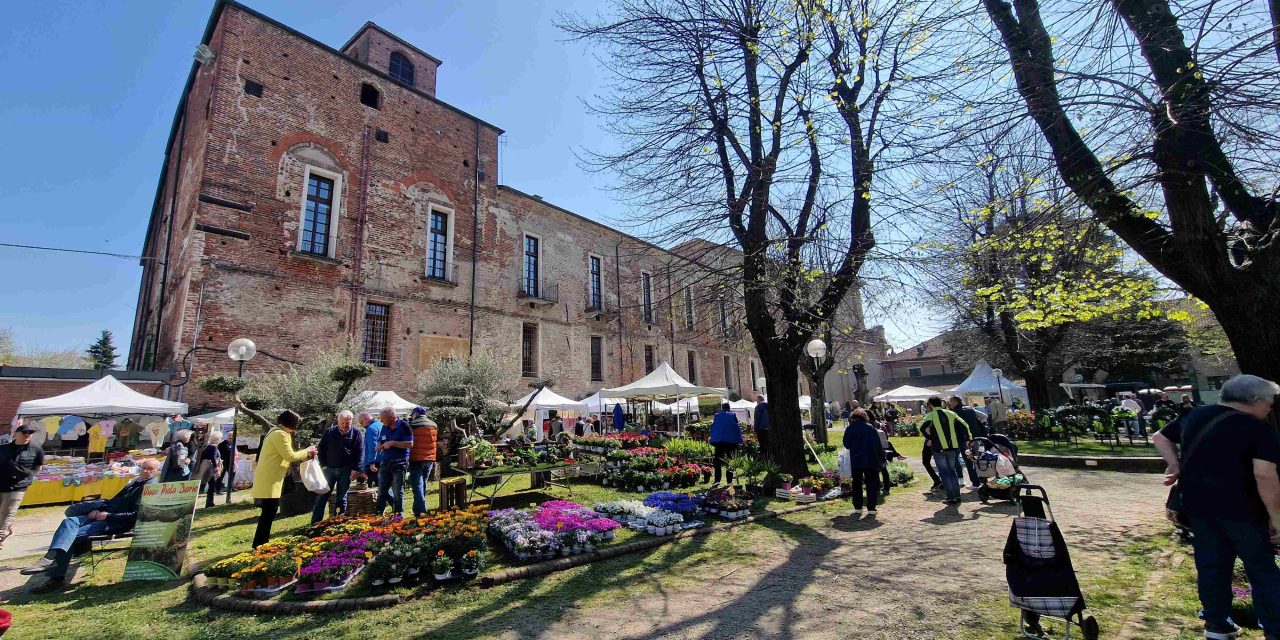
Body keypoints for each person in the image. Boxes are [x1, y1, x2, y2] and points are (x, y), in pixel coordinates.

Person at [1153, 374, 1280, 640]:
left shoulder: (1194, 416)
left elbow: (1160, 437)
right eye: (1270, 402)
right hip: (1244, 511)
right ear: (1256, 400)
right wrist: (1277, 519)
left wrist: (1175, 464)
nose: (1270, 407)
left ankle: (1216, 624)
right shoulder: (1258, 429)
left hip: (1199, 507)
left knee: (1212, 566)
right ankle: (1275, 628)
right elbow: (1265, 476)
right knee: (1262, 569)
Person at [22, 458, 160, 592]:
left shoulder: (150, 488)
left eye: (150, 469)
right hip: (104, 514)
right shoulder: (134, 482)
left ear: (156, 471)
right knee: (69, 522)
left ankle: (56, 578)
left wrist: (107, 516)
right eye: (144, 468)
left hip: (114, 522)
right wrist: (98, 510)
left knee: (72, 536)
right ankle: (50, 558)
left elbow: (136, 515)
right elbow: (113, 501)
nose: (146, 471)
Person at [251, 410, 316, 549]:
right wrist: (308, 451)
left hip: (269, 477)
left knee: (269, 511)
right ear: (290, 422)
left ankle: (261, 542)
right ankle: (260, 543)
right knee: (269, 512)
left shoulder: (274, 431)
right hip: (271, 478)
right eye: (297, 422)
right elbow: (290, 456)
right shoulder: (281, 434)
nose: (298, 425)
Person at [311, 410, 363, 524]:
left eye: (347, 423)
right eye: (342, 423)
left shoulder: (356, 433)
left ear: (351, 421)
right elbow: (321, 449)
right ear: (338, 421)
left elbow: (360, 452)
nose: (344, 426)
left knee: (341, 497)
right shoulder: (329, 432)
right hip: (329, 469)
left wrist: (356, 469)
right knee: (322, 496)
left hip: (346, 470)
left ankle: (338, 521)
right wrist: (323, 465)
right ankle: (315, 522)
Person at [0, 423, 44, 549]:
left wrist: (27, 475)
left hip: (18, 486)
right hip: (1, 484)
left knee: (8, 512)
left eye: (30, 433)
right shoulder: (3, 449)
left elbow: (38, 467)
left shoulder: (36, 449)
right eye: (25, 432)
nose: (27, 435)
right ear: (16, 433)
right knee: (2, 512)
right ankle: (7, 529)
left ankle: (0, 537)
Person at [921, 397, 970, 505]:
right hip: (952, 446)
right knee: (952, 471)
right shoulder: (951, 413)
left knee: (944, 473)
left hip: (939, 448)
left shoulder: (930, 416)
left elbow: (922, 428)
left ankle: (951, 497)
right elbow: (964, 425)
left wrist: (930, 438)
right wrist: (968, 438)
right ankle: (957, 495)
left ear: (930, 405)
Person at [372, 407, 413, 515]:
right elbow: (380, 439)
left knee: (397, 491)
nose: (381, 421)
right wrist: (379, 446)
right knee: (381, 489)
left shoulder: (404, 426)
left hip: (399, 462)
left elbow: (410, 444)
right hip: (385, 461)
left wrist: (392, 443)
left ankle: (398, 514)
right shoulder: (384, 427)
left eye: (382, 419)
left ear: (391, 417)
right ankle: (378, 513)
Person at [843, 408, 883, 516]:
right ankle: (871, 508)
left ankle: (858, 507)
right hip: (870, 459)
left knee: (856, 484)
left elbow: (846, 444)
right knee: (871, 484)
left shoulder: (850, 428)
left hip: (856, 460)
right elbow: (877, 444)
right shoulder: (870, 428)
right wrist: (881, 458)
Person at [407, 408, 438, 517]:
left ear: (416, 414)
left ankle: (420, 510)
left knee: (417, 484)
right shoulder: (433, 424)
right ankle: (419, 509)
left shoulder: (412, 424)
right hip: (429, 458)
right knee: (423, 483)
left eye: (413, 414)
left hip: (416, 458)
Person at [950, 396, 985, 489]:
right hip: (976, 437)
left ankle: (975, 482)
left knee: (969, 460)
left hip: (964, 439)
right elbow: (983, 416)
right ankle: (982, 479)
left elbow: (958, 428)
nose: (949, 404)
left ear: (955, 403)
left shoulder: (955, 413)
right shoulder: (970, 409)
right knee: (976, 458)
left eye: (951, 402)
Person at [709, 402, 742, 484]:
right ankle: (729, 481)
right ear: (729, 408)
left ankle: (717, 480)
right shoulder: (732, 415)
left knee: (717, 460)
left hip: (719, 440)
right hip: (730, 441)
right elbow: (736, 427)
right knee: (729, 460)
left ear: (722, 408)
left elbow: (714, 427)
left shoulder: (717, 415)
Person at [195, 431, 224, 509]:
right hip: (210, 467)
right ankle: (209, 503)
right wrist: (216, 468)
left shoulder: (206, 446)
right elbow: (213, 457)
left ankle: (208, 502)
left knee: (206, 484)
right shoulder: (214, 447)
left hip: (204, 467)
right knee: (212, 485)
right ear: (217, 439)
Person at [358, 411, 382, 490]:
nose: (361, 425)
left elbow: (373, 447)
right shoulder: (380, 425)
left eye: (361, 422)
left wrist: (372, 462)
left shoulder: (371, 428)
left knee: (377, 487)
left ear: (366, 418)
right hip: (382, 459)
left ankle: (393, 501)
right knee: (382, 484)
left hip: (374, 463)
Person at [753, 394, 771, 460]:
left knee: (763, 446)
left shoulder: (759, 406)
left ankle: (764, 460)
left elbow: (757, 418)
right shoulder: (768, 406)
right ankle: (769, 459)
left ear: (758, 400)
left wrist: (755, 429)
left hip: (761, 429)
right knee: (768, 446)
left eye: (756, 400)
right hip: (769, 429)